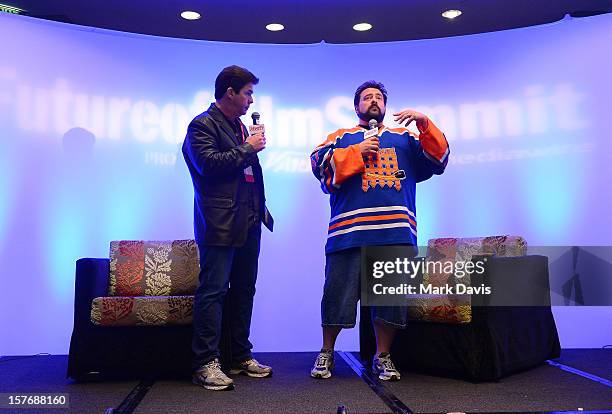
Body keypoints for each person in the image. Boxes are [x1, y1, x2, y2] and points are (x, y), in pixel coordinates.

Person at [309, 80, 449, 381]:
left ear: (385, 105)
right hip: (348, 231)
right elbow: (320, 167)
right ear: (356, 106)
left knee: (390, 300)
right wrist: (357, 151)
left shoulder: (405, 137)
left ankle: (382, 356)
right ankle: (326, 352)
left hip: (395, 233)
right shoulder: (341, 136)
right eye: (366, 97)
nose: (373, 101)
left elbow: (438, 160)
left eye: (378, 97)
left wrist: (425, 124)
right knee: (337, 295)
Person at [182, 65, 274, 391]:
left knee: (244, 290)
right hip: (220, 223)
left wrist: (260, 207)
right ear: (230, 92)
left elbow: (245, 176)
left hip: (248, 221)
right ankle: (205, 362)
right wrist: (249, 148)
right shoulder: (201, 125)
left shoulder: (237, 127)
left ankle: (239, 356)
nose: (251, 99)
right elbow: (208, 166)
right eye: (248, 92)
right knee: (214, 291)